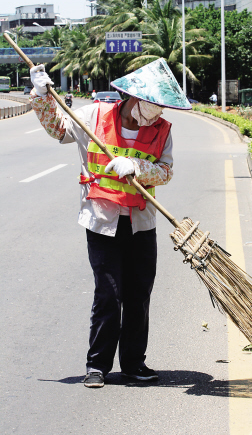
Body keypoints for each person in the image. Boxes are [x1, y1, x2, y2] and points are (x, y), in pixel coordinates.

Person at [29, 59, 191, 389]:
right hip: (102, 221)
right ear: (134, 98)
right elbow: (59, 129)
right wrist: (41, 95)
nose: (156, 112)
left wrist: (136, 167)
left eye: (160, 106)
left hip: (141, 223)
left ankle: (133, 363)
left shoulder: (162, 131)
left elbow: (166, 171)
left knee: (138, 295)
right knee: (108, 294)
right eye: (153, 104)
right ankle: (97, 365)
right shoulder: (94, 116)